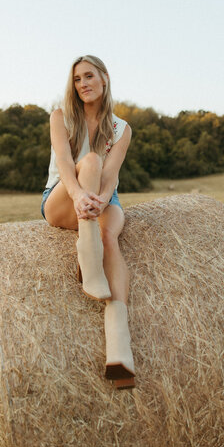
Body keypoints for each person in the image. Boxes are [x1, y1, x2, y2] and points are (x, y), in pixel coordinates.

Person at [41, 55, 135, 389]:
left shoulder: (121, 129)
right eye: (77, 79)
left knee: (110, 237)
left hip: (105, 200)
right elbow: (66, 165)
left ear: (104, 78)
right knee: (91, 160)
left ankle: (119, 345)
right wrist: (79, 195)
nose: (83, 84)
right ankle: (88, 257)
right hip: (63, 197)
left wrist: (100, 199)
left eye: (89, 76)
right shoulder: (61, 117)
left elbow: (110, 179)